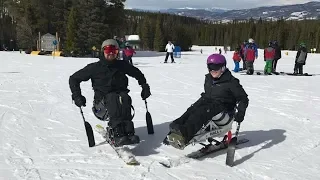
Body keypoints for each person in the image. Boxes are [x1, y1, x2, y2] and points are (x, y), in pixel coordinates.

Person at [69, 39, 151, 147]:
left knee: (124, 97)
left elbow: (137, 74)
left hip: (120, 102)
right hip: (101, 107)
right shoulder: (95, 68)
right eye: (108, 50)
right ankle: (116, 133)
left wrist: (144, 86)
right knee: (113, 97)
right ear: (103, 51)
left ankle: (128, 131)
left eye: (114, 50)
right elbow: (74, 79)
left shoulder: (122, 65)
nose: (111, 53)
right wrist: (77, 95)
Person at [166, 54, 249, 148]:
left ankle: (185, 135)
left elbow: (243, 98)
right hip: (209, 102)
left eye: (215, 68)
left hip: (224, 109)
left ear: (223, 67)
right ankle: (175, 129)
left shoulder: (231, 82)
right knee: (192, 109)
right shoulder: (209, 78)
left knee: (201, 112)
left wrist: (241, 112)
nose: (212, 71)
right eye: (210, 67)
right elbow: (208, 94)